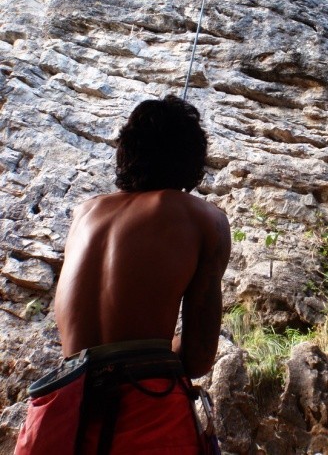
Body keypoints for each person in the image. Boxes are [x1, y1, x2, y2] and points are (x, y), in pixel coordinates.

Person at [15, 96, 231, 455]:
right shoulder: (204, 218)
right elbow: (198, 357)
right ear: (193, 160)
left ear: (126, 152)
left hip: (61, 413)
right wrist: (160, 346)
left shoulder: (86, 213)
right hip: (147, 412)